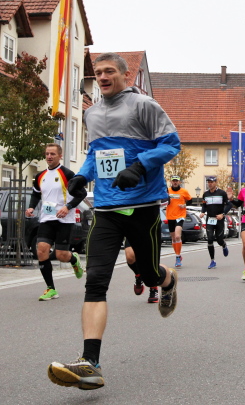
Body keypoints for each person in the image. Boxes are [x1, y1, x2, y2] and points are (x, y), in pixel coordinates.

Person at [48, 52, 180, 391]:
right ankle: (90, 363)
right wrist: (82, 176)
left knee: (148, 273)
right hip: (106, 209)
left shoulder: (144, 106)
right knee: (95, 281)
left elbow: (171, 144)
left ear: (124, 74)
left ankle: (166, 281)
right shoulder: (92, 113)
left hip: (143, 206)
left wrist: (140, 166)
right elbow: (96, 154)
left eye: (109, 71)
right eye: (98, 72)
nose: (103, 77)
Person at [26, 143, 86, 301]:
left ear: (60, 156)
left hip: (64, 220)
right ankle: (50, 288)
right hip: (47, 218)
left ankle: (73, 259)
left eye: (52, 154)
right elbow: (36, 194)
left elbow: (82, 194)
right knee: (41, 250)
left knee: (61, 255)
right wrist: (31, 207)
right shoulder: (40, 176)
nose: (49, 157)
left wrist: (68, 207)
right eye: (47, 154)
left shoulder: (67, 174)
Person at [200, 175, 231, 269]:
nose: (210, 184)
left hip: (219, 219)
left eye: (212, 182)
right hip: (210, 219)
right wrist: (202, 212)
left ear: (215, 183)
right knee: (209, 239)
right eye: (208, 182)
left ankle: (223, 245)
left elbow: (229, 205)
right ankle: (212, 261)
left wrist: (223, 214)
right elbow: (204, 205)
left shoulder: (222, 193)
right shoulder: (205, 194)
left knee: (219, 239)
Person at [166, 175, 191, 268]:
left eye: (176, 181)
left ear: (179, 182)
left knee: (177, 236)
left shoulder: (184, 191)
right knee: (173, 238)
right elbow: (163, 200)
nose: (175, 182)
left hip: (180, 216)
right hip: (170, 216)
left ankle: (177, 257)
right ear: (171, 182)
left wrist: (184, 205)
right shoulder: (167, 191)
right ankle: (178, 255)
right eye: (173, 181)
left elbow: (190, 200)